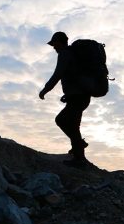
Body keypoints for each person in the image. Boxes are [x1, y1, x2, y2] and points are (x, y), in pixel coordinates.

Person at [39, 31, 91, 166]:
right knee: (73, 125)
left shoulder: (65, 54)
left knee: (62, 120)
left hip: (78, 97)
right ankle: (79, 152)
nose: (53, 47)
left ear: (60, 42)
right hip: (80, 96)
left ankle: (79, 153)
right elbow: (74, 77)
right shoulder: (72, 54)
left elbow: (57, 74)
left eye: (54, 44)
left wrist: (45, 90)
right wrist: (67, 95)